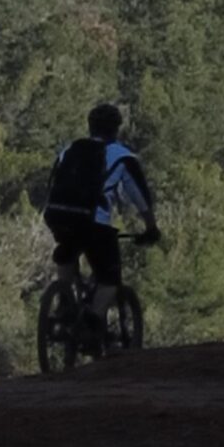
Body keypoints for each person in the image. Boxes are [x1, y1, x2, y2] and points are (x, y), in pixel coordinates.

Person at [43, 102, 160, 318]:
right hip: (92, 221)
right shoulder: (122, 156)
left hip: (57, 215)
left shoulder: (69, 150)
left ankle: (63, 301)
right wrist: (151, 227)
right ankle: (94, 320)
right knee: (109, 278)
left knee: (67, 251)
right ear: (116, 128)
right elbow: (140, 198)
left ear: (90, 126)